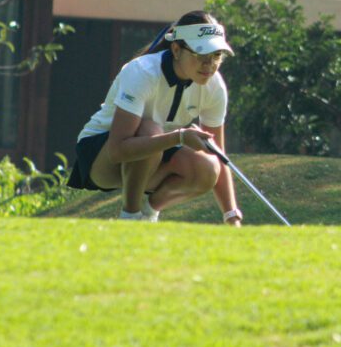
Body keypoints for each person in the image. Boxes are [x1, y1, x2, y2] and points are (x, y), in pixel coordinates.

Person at [68, 11, 243, 224]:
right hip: (101, 157)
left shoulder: (214, 86)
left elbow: (219, 154)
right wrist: (179, 137)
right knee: (150, 130)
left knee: (208, 167)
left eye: (216, 55)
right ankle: (129, 216)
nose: (209, 65)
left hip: (153, 157)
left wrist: (231, 215)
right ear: (176, 49)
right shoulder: (142, 72)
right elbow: (116, 150)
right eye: (200, 54)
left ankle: (149, 212)